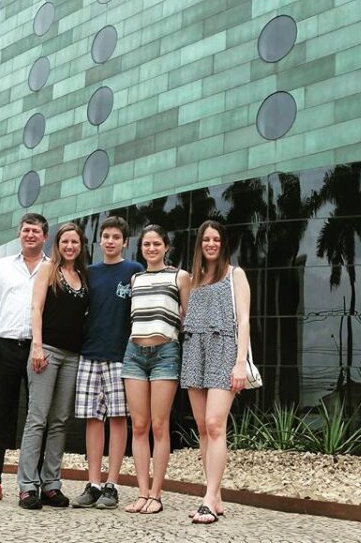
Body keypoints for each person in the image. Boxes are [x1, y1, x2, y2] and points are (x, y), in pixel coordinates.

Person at [0, 213, 49, 502]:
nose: (30, 235)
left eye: (36, 231)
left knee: (37, 418)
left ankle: (33, 482)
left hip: (37, 350)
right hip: (4, 347)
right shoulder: (3, 266)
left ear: (45, 237)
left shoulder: (51, 267)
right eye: (26, 230)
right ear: (20, 233)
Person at [180, 220, 251, 524]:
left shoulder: (235, 275)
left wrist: (240, 362)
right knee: (202, 427)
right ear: (200, 244)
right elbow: (185, 317)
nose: (211, 244)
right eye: (206, 239)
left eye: (216, 239)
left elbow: (244, 321)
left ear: (223, 244)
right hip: (195, 349)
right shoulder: (192, 280)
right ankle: (216, 495)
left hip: (224, 350)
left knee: (215, 424)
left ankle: (208, 499)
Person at [72, 216, 144, 510]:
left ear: (125, 242)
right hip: (89, 354)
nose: (111, 241)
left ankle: (112, 485)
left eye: (117, 236)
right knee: (92, 419)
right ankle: (93, 483)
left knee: (117, 419)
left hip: (121, 356)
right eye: (106, 236)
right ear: (99, 240)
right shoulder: (89, 273)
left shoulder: (134, 271)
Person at [17, 223, 89, 510]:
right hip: (46, 352)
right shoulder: (49, 269)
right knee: (37, 418)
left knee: (60, 421)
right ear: (57, 244)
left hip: (73, 356)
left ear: (81, 246)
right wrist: (36, 346)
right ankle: (27, 487)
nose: (70, 246)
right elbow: (36, 308)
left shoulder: (83, 276)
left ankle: (51, 484)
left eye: (75, 242)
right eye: (65, 241)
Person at [121, 224, 190, 514]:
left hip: (165, 353)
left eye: (156, 244)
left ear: (166, 247)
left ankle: (157, 495)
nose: (151, 249)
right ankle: (142, 492)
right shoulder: (135, 278)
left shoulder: (180, 276)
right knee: (139, 426)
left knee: (160, 426)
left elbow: (187, 317)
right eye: (147, 244)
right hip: (134, 353)